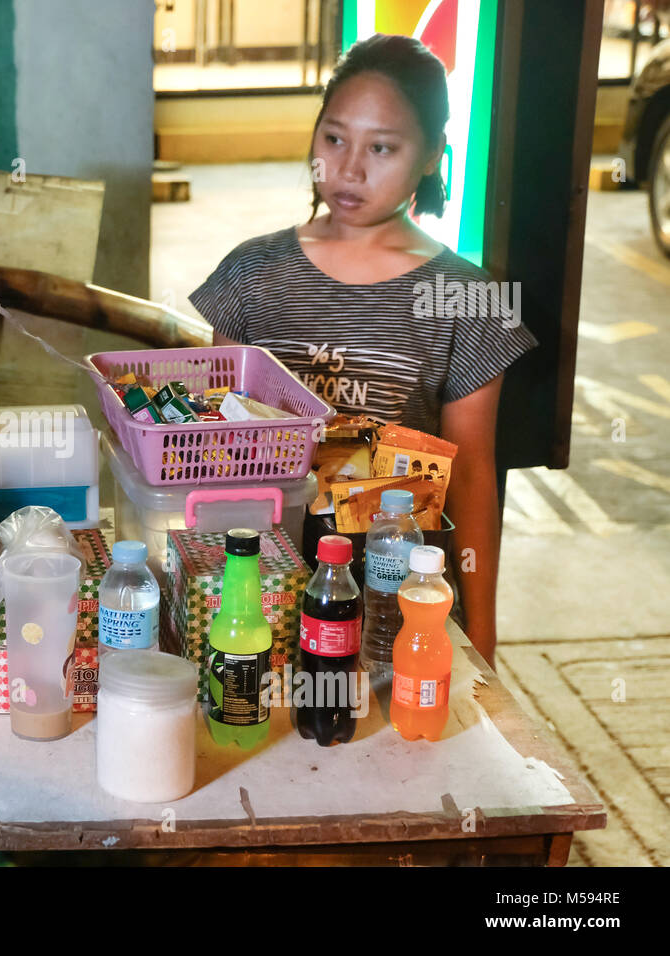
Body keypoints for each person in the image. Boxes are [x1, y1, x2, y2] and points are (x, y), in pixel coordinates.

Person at [189, 34, 538, 668]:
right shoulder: (249, 275)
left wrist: (481, 634)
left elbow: (475, 476)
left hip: (392, 611)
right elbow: (220, 456)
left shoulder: (469, 297)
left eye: (382, 147)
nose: (349, 170)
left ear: (432, 155)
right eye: (334, 139)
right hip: (261, 600)